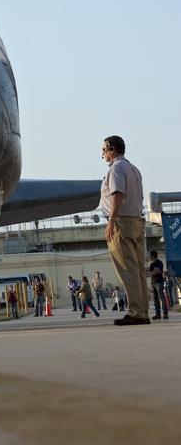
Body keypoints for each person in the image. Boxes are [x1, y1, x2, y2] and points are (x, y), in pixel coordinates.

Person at [100, 136, 149, 326]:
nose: (103, 154)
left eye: (104, 150)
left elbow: (118, 194)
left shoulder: (116, 169)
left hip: (122, 222)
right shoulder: (133, 169)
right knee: (137, 270)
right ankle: (142, 310)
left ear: (112, 149)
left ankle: (136, 312)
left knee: (127, 270)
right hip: (136, 220)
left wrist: (111, 220)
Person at [148, 250, 168, 322]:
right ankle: (158, 314)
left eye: (150, 255)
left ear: (153, 255)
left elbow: (158, 271)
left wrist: (155, 271)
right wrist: (154, 271)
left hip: (159, 282)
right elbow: (151, 273)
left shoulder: (159, 262)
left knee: (161, 298)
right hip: (153, 283)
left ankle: (165, 314)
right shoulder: (152, 264)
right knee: (155, 299)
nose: (149, 256)